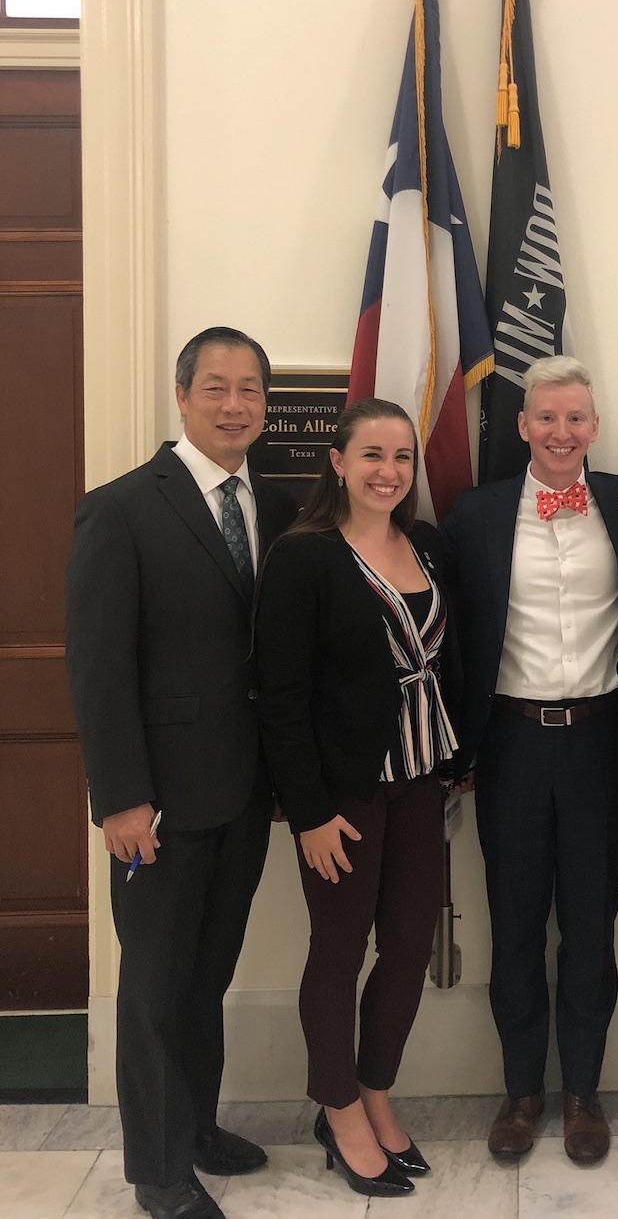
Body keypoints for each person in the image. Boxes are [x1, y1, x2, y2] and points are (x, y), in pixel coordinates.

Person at [65, 327, 299, 1219]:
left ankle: (196, 1128)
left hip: (242, 796)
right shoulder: (120, 507)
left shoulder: (276, 507)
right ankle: (158, 1172)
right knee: (156, 987)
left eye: (250, 390)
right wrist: (120, 797)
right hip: (156, 802)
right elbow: (98, 666)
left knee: (208, 975)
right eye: (216, 388)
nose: (234, 404)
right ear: (182, 395)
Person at [438, 357, 618, 1163]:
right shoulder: (476, 512)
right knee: (513, 925)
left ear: (593, 426)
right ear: (524, 426)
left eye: (576, 418)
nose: (562, 432)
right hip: (510, 744)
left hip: (603, 742)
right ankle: (519, 1091)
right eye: (547, 418)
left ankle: (582, 1092)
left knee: (592, 927)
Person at [254, 398, 460, 1199]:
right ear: (336, 461)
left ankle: (376, 1088)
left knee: (409, 946)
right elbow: (280, 696)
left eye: (402, 457)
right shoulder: (304, 557)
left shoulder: (429, 547)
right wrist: (306, 811)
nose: (389, 471)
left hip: (420, 782)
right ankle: (336, 1105)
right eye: (372, 454)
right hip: (341, 794)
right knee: (338, 952)